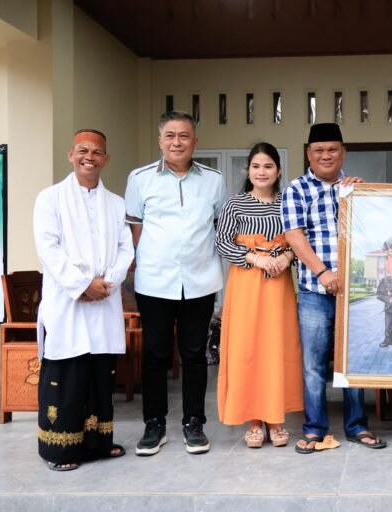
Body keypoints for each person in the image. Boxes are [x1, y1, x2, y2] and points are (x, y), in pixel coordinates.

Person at [125, 111, 226, 456]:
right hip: (155, 281)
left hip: (200, 279)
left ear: (195, 141)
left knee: (194, 354)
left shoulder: (214, 180)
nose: (177, 142)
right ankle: (154, 425)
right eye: (170, 136)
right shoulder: (139, 179)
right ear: (160, 141)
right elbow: (135, 228)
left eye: (184, 136)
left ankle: (194, 423)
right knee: (155, 354)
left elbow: (219, 225)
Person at [282, 122, 387, 454]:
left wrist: (366, 197)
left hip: (353, 292)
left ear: (343, 152)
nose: (325, 155)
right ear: (308, 154)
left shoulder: (355, 189)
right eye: (319, 150)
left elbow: (373, 232)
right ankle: (314, 429)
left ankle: (357, 426)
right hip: (314, 292)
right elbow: (294, 236)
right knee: (314, 364)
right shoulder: (296, 189)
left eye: (332, 149)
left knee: (352, 360)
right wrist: (323, 272)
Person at [33, 129, 134, 471]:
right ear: (71, 154)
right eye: (83, 150)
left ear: (106, 159)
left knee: (98, 375)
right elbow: (48, 249)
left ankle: (97, 444)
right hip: (67, 303)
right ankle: (59, 450)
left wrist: (106, 284)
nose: (89, 157)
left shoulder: (115, 203)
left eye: (96, 152)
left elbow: (126, 248)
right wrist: (82, 286)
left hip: (103, 300)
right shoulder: (50, 198)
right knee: (67, 377)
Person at [215, 142, 303, 448]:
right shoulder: (234, 204)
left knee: (277, 347)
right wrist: (255, 258)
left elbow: (301, 239)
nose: (261, 172)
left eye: (268, 166)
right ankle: (253, 418)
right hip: (246, 286)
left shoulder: (288, 203)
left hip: (279, 287)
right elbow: (222, 242)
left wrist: (287, 257)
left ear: (278, 170)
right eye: (256, 166)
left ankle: (275, 417)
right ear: (247, 170)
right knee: (248, 348)